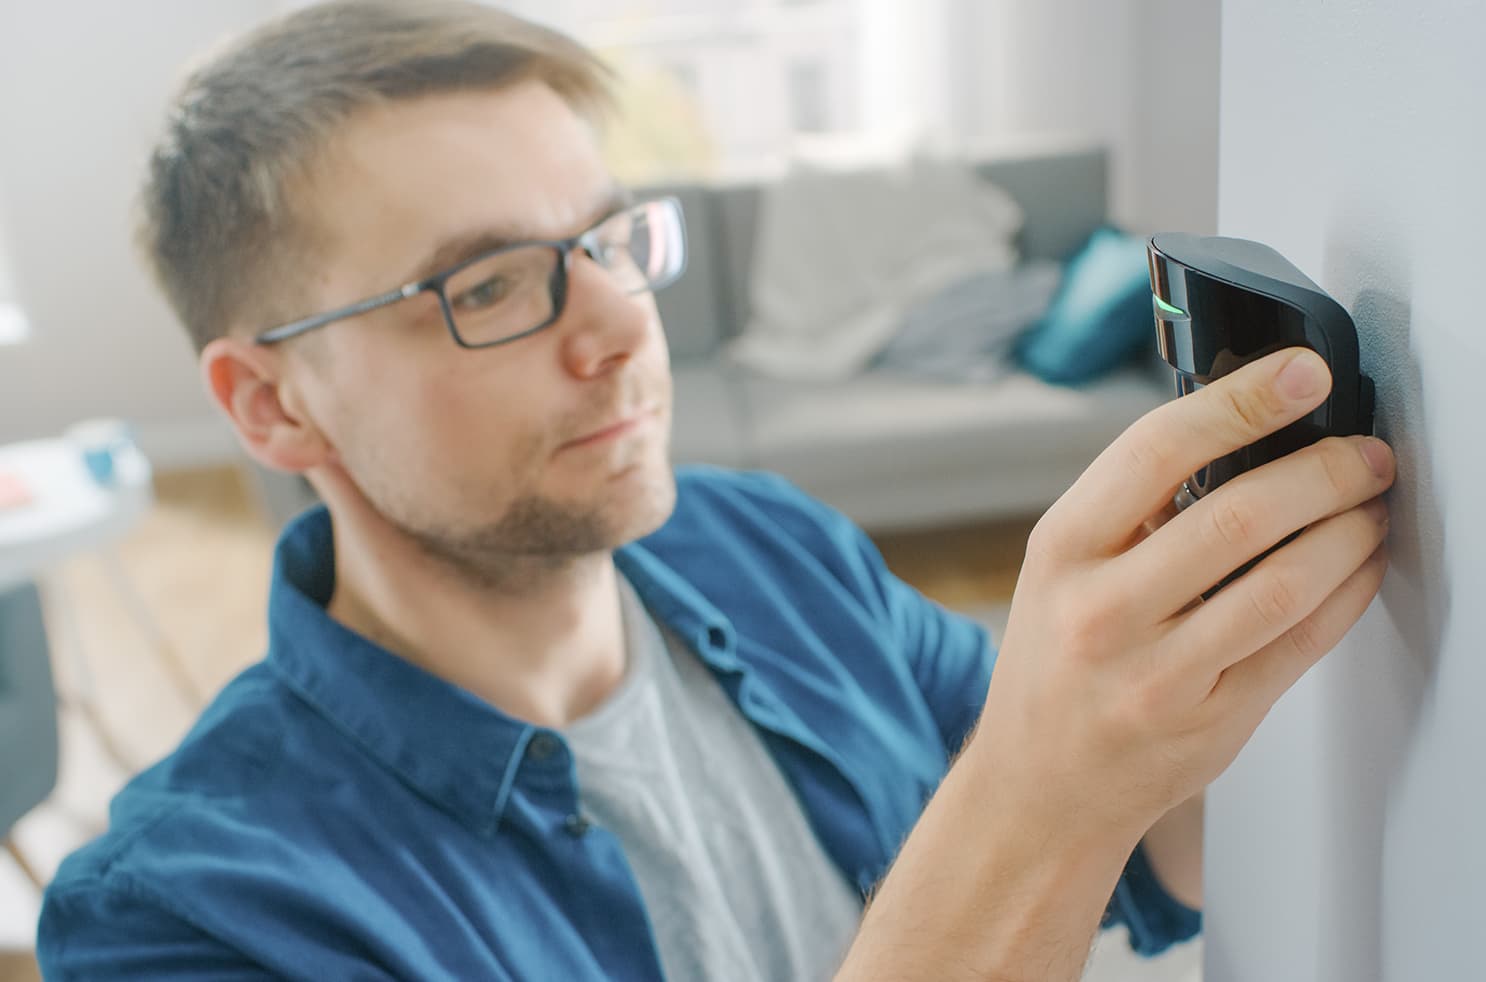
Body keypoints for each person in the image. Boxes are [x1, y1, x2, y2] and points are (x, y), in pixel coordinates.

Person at [36, 2, 1395, 979]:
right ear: (272, 403)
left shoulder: (769, 545)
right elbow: (1044, 812)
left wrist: (1219, 674)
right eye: (490, 284)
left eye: (609, 238)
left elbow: (1149, 849)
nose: (621, 324)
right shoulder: (185, 918)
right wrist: (1037, 797)